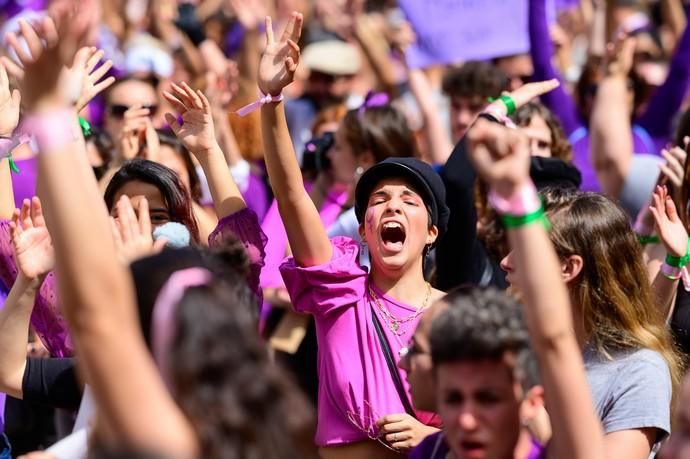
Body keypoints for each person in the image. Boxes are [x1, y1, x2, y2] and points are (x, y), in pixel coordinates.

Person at [11, 6, 316, 458]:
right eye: (124, 211)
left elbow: (97, 312)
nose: (140, 224)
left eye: (159, 214)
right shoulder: (261, 430)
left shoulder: (168, 436)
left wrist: (55, 117)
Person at [258, 12, 447, 456]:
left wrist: (434, 440)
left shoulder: (454, 315)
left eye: (409, 200)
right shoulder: (339, 292)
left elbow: (488, 415)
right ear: (363, 229)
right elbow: (290, 195)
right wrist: (271, 98)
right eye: (379, 200)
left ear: (432, 232)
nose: (393, 206)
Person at [500, 186, 680, 457]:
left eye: (526, 252)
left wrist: (539, 426)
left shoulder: (639, 370)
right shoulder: (516, 344)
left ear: (568, 268)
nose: (505, 262)